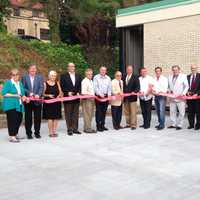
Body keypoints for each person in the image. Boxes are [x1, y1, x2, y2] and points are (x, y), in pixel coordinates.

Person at [1, 69, 27, 142]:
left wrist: (24, 97)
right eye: (13, 75)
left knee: (19, 119)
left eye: (17, 74)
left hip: (19, 105)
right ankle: (12, 136)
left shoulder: (20, 83)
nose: (15, 76)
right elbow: (4, 93)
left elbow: (22, 94)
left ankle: (15, 134)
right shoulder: (8, 83)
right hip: (10, 105)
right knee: (12, 120)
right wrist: (15, 95)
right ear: (11, 76)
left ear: (19, 75)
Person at [21, 64, 44, 139]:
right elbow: (23, 88)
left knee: (38, 118)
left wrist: (38, 94)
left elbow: (41, 87)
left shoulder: (40, 77)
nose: (33, 70)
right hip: (28, 101)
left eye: (34, 69)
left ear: (36, 70)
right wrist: (29, 93)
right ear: (29, 70)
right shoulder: (24, 77)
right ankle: (29, 133)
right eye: (31, 69)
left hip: (37, 101)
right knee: (28, 118)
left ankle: (37, 133)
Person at [60, 62, 82, 136]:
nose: (72, 68)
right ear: (68, 67)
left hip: (76, 98)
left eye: (73, 66)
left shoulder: (78, 76)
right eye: (70, 66)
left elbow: (80, 85)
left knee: (75, 114)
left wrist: (79, 92)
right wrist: (67, 92)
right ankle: (69, 129)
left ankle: (75, 129)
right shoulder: (63, 76)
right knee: (68, 113)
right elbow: (62, 86)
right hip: (68, 97)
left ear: (74, 67)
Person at [168, 65, 189, 130]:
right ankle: (173, 124)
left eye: (176, 70)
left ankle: (180, 125)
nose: (175, 71)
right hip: (172, 97)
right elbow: (169, 86)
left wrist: (183, 94)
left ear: (179, 70)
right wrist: (169, 91)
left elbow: (186, 86)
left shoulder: (183, 76)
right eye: (173, 70)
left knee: (181, 112)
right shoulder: (170, 76)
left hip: (180, 97)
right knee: (172, 111)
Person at [43, 71, 62, 137]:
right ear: (49, 76)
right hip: (49, 103)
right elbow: (42, 94)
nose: (53, 77)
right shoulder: (45, 84)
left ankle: (54, 131)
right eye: (52, 75)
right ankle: (50, 132)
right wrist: (48, 95)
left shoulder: (57, 83)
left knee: (56, 118)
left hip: (57, 102)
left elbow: (60, 92)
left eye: (54, 76)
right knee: (50, 118)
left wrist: (59, 95)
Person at [93, 66, 112, 132]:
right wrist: (100, 94)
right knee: (98, 111)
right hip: (98, 96)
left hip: (106, 96)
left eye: (104, 70)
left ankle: (102, 125)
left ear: (106, 71)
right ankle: (98, 126)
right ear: (99, 70)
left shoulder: (108, 78)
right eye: (102, 70)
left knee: (104, 111)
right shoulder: (96, 77)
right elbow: (95, 87)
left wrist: (109, 96)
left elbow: (109, 88)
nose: (103, 71)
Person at [123, 65, 140, 130]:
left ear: (132, 70)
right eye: (128, 69)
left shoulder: (135, 77)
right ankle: (128, 124)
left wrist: (134, 92)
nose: (129, 70)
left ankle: (133, 125)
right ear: (126, 70)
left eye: (130, 69)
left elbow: (138, 87)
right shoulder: (124, 76)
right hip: (125, 98)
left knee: (133, 112)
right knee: (126, 111)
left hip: (133, 97)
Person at [81, 68, 96, 133]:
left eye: (91, 74)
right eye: (89, 74)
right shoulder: (84, 81)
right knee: (87, 114)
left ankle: (88, 127)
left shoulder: (91, 81)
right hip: (87, 100)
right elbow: (83, 92)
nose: (90, 75)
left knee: (90, 114)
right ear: (86, 74)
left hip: (92, 99)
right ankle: (87, 129)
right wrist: (91, 95)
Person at [186, 64, 200, 130]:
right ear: (190, 69)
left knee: (198, 112)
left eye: (194, 68)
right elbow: (185, 86)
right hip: (189, 98)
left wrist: (197, 93)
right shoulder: (187, 76)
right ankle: (191, 125)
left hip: (197, 98)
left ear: (196, 69)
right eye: (192, 68)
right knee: (190, 112)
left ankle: (198, 125)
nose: (193, 69)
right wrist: (187, 92)